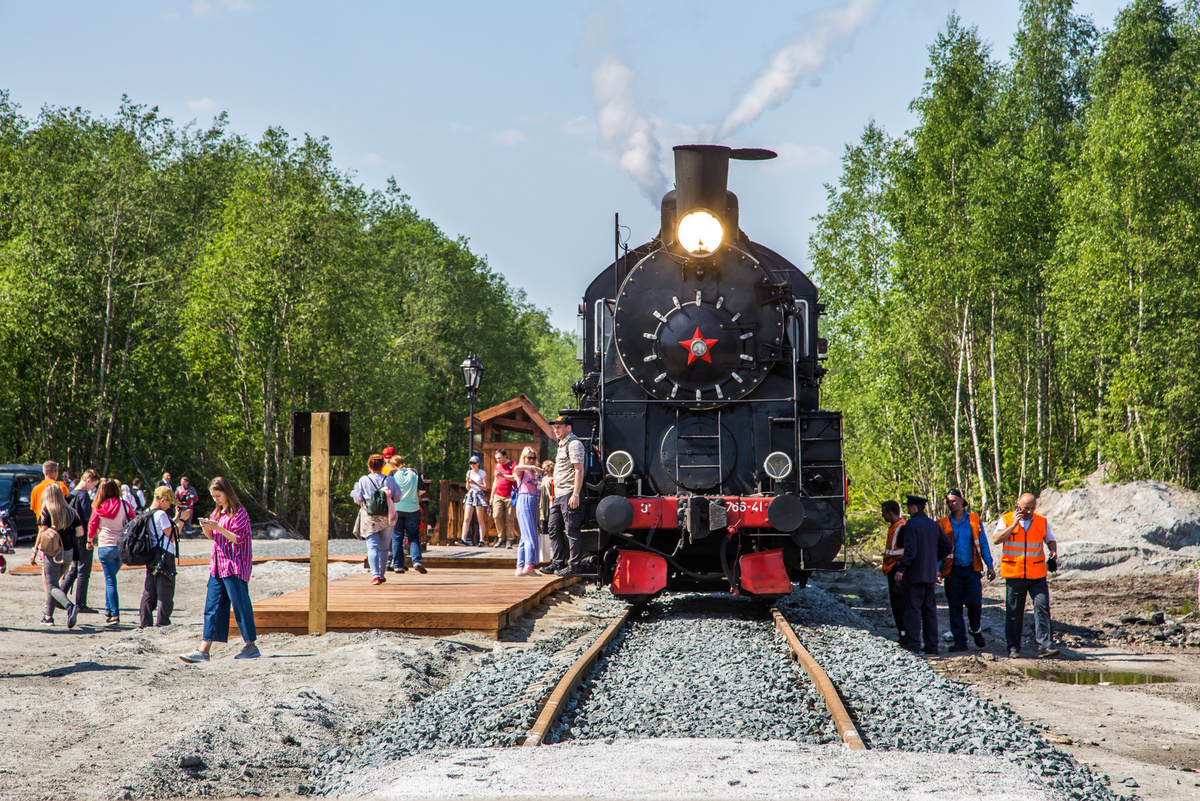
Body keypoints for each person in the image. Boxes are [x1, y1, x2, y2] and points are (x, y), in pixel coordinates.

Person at [180, 476, 259, 662]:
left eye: (218, 495)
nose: (216, 499)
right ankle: (204, 650)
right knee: (212, 607)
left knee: (241, 606)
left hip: (234, 566)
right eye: (213, 496)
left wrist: (218, 528)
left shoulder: (240, 513)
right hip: (217, 566)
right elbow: (213, 537)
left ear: (227, 492)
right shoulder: (218, 512)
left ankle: (251, 645)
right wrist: (207, 528)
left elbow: (239, 539)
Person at [994, 492, 1059, 659]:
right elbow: (996, 539)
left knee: (1042, 608)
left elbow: (1049, 539)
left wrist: (1053, 550)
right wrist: (1014, 524)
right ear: (1018, 505)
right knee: (1014, 612)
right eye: (1025, 508)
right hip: (1015, 573)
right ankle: (1013, 647)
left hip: (1037, 574)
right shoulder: (1006, 519)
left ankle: (1045, 645)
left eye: (1032, 508)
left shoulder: (1040, 521)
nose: (1028, 512)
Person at [937, 488, 996, 652]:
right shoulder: (942, 523)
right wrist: (937, 569)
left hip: (972, 569)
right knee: (955, 606)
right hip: (952, 571)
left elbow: (982, 543)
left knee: (975, 603)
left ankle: (975, 629)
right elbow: (938, 549)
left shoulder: (974, 520)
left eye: (954, 500)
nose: (951, 504)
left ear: (962, 501)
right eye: (948, 501)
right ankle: (960, 641)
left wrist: (990, 566)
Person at [893, 494, 952, 656]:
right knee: (929, 611)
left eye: (908, 507)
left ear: (913, 507)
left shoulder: (912, 524)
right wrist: (932, 559)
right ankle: (932, 646)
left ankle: (913, 645)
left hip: (915, 575)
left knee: (913, 609)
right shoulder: (933, 525)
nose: (907, 511)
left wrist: (901, 569)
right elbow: (947, 547)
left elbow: (911, 550)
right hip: (930, 575)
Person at [542, 415, 588, 576]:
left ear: (569, 428)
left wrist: (575, 494)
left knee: (571, 529)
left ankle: (574, 565)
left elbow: (579, 470)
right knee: (553, 528)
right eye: (555, 427)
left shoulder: (574, 444)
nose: (556, 429)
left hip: (569, 493)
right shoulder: (561, 445)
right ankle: (558, 563)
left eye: (559, 426)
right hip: (559, 494)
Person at [87, 478, 135, 625]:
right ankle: (108, 610)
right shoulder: (125, 505)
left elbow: (92, 524)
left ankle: (114, 614)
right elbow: (134, 521)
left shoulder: (98, 506)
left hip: (105, 546)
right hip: (121, 547)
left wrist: (89, 541)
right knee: (111, 580)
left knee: (110, 581)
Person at [32, 484, 80, 628]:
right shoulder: (71, 512)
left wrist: (35, 550)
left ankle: (70, 606)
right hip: (69, 552)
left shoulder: (47, 511)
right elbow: (80, 532)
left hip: (53, 552)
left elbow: (42, 532)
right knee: (55, 585)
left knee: (52, 585)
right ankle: (48, 617)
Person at [351, 454, 399, 584]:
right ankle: (382, 575)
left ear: (369, 466)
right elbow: (398, 497)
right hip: (387, 517)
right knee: (384, 548)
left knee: (372, 547)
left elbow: (357, 499)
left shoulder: (363, 480)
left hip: (369, 518)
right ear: (383, 466)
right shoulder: (390, 480)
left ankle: (375, 575)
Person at [140, 486, 180, 628]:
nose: (170, 506)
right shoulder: (161, 514)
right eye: (169, 503)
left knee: (149, 588)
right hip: (164, 554)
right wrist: (182, 521)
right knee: (165, 589)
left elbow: (160, 530)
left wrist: (175, 518)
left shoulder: (146, 513)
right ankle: (162, 622)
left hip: (151, 554)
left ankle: (145, 622)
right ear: (163, 500)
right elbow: (172, 536)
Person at [62, 469, 100, 613]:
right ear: (89, 480)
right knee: (84, 569)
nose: (94, 488)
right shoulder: (83, 495)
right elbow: (87, 517)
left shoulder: (70, 493)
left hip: (71, 536)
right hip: (83, 537)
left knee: (74, 568)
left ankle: (60, 595)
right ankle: (81, 603)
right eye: (94, 485)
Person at [388, 455, 427, 574]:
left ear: (393, 465)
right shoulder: (414, 472)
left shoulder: (393, 473)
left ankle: (398, 565)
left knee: (397, 537)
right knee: (413, 537)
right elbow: (422, 490)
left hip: (397, 508)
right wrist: (414, 496)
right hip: (413, 508)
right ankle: (417, 561)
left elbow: (387, 490)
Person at [510, 446, 542, 576]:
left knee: (525, 535)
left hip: (533, 500)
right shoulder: (522, 470)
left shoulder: (533, 472)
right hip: (525, 499)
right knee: (530, 534)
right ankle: (529, 564)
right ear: (524, 457)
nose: (531, 460)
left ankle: (520, 566)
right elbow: (516, 468)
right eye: (529, 457)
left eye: (533, 458)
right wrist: (532, 467)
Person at [880, 500, 907, 642]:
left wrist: (900, 564)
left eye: (884, 512)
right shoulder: (894, 527)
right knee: (896, 604)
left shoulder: (902, 527)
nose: (882, 516)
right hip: (892, 569)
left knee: (900, 604)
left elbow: (906, 550)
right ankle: (902, 632)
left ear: (890, 512)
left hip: (898, 571)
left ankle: (904, 634)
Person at [489, 450, 517, 549]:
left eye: (500, 458)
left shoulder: (512, 464)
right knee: (496, 516)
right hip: (498, 494)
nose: (498, 460)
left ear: (505, 456)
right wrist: (491, 496)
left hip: (510, 495)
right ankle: (501, 538)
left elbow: (515, 478)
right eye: (497, 458)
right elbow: (495, 481)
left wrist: (503, 475)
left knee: (509, 518)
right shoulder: (497, 466)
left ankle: (509, 539)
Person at [461, 455, 488, 547]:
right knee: (466, 518)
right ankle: (463, 539)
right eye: (471, 463)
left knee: (480, 519)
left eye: (474, 463)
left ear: (478, 463)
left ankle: (481, 540)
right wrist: (468, 482)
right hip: (470, 494)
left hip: (479, 494)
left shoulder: (482, 473)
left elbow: (485, 487)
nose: (472, 465)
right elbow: (467, 488)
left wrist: (475, 483)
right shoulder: (469, 473)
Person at [538, 459, 555, 564]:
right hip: (544, 506)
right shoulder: (543, 479)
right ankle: (545, 555)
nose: (543, 469)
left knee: (553, 529)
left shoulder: (554, 478)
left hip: (552, 505)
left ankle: (555, 553)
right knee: (544, 529)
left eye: (545, 467)